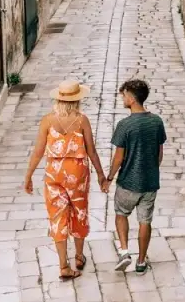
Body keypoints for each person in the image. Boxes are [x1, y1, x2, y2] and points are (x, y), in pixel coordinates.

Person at [24, 80, 107, 281]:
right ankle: (79, 256)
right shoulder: (82, 121)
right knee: (79, 212)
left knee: (57, 217)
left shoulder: (47, 121)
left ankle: (63, 265)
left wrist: (28, 176)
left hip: (54, 173)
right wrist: (100, 174)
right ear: (77, 100)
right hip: (77, 173)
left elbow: (38, 152)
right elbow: (91, 151)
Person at [102, 79, 167, 275]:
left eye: (123, 95)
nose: (122, 98)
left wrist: (109, 177)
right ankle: (140, 261)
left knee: (121, 214)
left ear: (130, 97)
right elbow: (159, 154)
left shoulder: (125, 125)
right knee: (145, 221)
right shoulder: (156, 121)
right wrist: (151, 170)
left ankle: (124, 252)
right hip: (149, 183)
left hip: (128, 182)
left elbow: (119, 157)